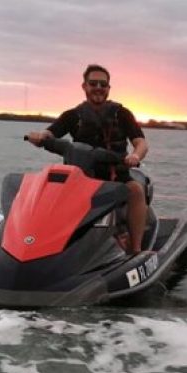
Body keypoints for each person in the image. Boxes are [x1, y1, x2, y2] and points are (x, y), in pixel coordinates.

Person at [26, 64, 150, 255]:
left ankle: (136, 250)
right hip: (81, 176)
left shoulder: (122, 114)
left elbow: (141, 142)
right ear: (84, 86)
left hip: (115, 173)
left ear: (109, 88)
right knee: (52, 194)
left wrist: (135, 155)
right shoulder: (73, 115)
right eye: (93, 83)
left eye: (103, 84)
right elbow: (51, 132)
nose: (98, 87)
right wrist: (40, 136)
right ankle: (38, 242)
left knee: (135, 190)